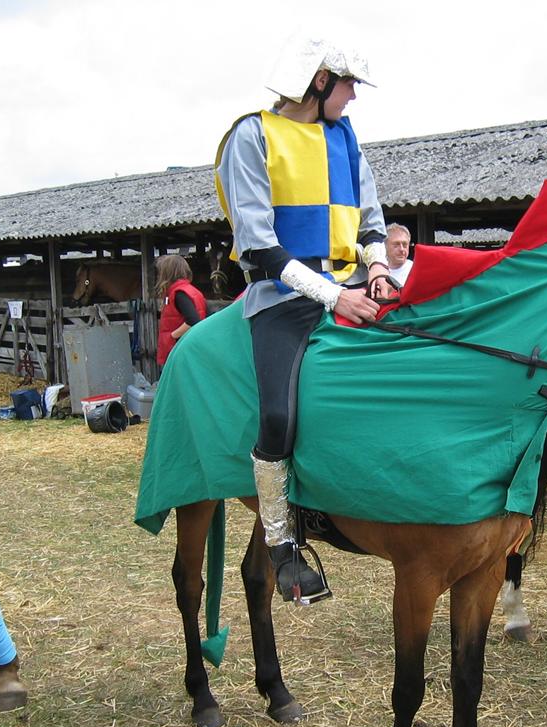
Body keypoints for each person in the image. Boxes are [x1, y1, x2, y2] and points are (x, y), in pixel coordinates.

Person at [214, 35, 393, 604]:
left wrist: (381, 268)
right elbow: (259, 248)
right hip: (282, 297)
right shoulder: (251, 136)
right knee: (277, 413)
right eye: (349, 86)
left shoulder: (345, 137)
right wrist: (333, 297)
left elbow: (369, 224)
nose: (353, 98)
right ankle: (281, 543)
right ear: (320, 82)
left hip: (353, 286)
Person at [155, 253, 207, 367]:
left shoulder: (179, 293)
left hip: (180, 350)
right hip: (188, 348)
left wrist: (172, 336)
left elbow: (193, 320)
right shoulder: (192, 291)